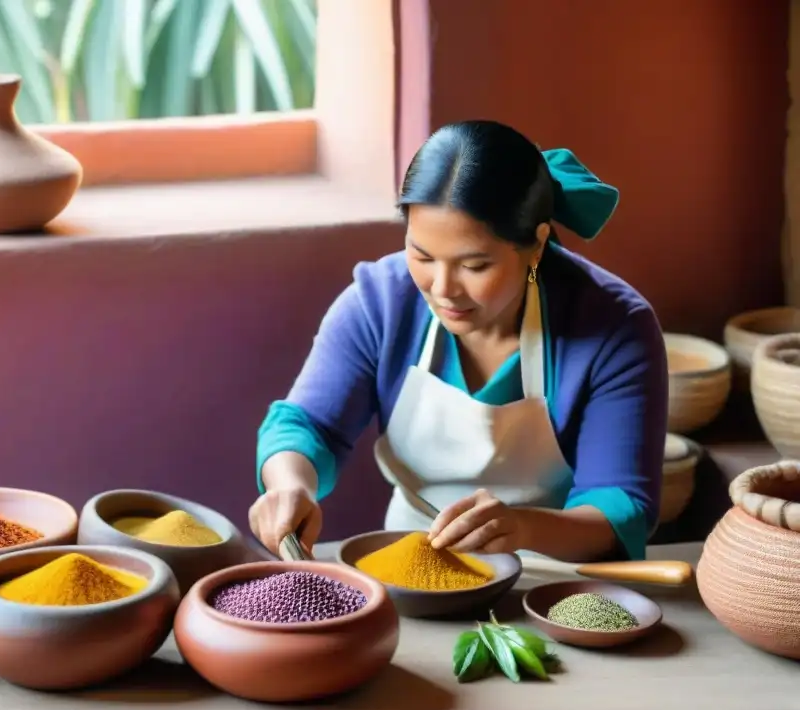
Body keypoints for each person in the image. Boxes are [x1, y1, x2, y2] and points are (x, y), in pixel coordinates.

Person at [248, 120, 668, 564]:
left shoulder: (615, 328)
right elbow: (307, 426)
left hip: (555, 576)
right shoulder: (379, 302)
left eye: (474, 265)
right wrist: (290, 484)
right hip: (411, 563)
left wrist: (522, 527)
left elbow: (622, 507)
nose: (443, 288)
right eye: (422, 255)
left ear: (537, 244)